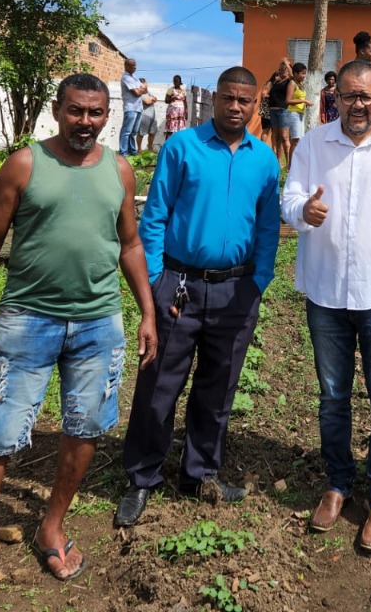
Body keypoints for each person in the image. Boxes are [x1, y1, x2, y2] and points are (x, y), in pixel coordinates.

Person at [0, 74, 157, 612]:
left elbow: (129, 244)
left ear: (108, 115)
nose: (85, 122)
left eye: (96, 112)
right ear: (57, 111)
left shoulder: (120, 169)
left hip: (98, 323)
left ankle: (51, 529)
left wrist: (147, 312)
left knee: (85, 429)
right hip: (27, 320)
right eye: (76, 111)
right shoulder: (25, 164)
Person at [115, 68, 281, 528]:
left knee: (218, 387)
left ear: (255, 106)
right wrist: (153, 283)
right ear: (216, 101)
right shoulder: (181, 147)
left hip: (236, 290)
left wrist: (258, 281)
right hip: (179, 287)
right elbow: (154, 218)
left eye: (245, 101)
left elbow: (268, 228)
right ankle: (143, 477)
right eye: (228, 98)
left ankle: (200, 473)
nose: (235, 107)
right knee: (158, 384)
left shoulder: (265, 161)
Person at [281, 59, 371, 553]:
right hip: (325, 293)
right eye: (349, 96)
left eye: (367, 96)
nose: (358, 105)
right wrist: (303, 210)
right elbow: (289, 200)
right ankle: (339, 483)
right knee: (332, 398)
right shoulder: (313, 144)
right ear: (336, 98)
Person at [266, 58, 296, 167]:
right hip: (273, 111)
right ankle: (278, 161)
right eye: (280, 69)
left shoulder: (290, 81)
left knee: (284, 137)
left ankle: (288, 162)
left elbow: (293, 76)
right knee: (276, 137)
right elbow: (266, 89)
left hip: (283, 111)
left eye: (284, 70)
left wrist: (287, 63)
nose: (282, 71)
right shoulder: (277, 82)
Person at [119, 58, 147, 156]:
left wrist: (142, 89)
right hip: (130, 107)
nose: (135, 67)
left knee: (134, 132)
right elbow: (136, 93)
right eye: (132, 65)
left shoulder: (134, 77)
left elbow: (145, 89)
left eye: (135, 65)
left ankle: (132, 150)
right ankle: (123, 152)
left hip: (138, 107)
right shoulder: (126, 77)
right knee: (126, 131)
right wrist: (141, 89)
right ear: (126, 66)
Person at [285, 62, 309, 163]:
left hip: (300, 114)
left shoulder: (300, 84)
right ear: (295, 73)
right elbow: (288, 100)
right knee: (295, 141)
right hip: (293, 113)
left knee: (300, 141)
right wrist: (304, 101)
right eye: (302, 73)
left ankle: (297, 164)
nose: (304, 76)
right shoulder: (292, 83)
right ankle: (290, 167)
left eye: (305, 73)